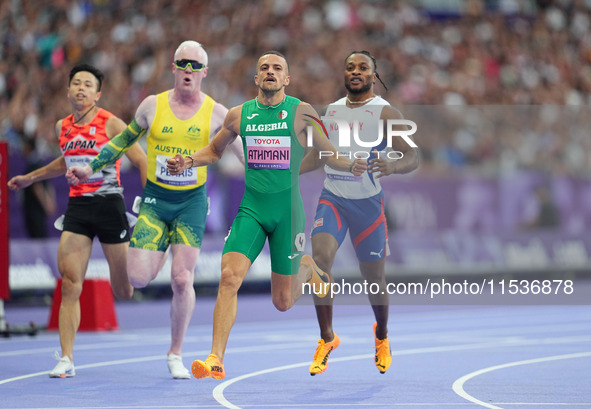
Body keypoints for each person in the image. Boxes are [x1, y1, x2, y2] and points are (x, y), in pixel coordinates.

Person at [165, 51, 367, 380]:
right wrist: (189, 160)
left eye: (277, 68)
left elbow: (328, 151)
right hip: (252, 209)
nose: (270, 72)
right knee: (229, 277)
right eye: (264, 68)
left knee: (283, 302)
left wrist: (352, 164)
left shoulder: (301, 112)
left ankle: (310, 272)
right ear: (256, 79)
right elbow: (215, 151)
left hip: (287, 213)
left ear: (286, 79)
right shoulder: (238, 115)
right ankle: (216, 358)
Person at [66, 41, 243, 379]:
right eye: (183, 63)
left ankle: (175, 352)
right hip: (155, 202)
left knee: (181, 278)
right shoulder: (152, 105)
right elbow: (123, 141)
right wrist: (91, 168)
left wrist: (268, 185)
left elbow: (243, 156)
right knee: (139, 278)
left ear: (205, 72)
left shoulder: (217, 113)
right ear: (173, 68)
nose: (188, 70)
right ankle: (161, 245)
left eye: (195, 65)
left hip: (191, 203)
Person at [7, 64, 147, 377]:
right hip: (78, 209)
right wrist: (31, 178)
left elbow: (140, 158)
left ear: (98, 93)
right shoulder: (62, 127)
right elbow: (65, 161)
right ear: (69, 90)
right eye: (76, 84)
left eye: (88, 85)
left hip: (110, 205)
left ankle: (147, 258)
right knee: (70, 283)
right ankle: (67, 358)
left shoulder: (111, 123)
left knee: (124, 290)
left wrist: (149, 202)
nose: (81, 89)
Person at [300, 51, 420, 375]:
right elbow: (318, 156)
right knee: (319, 262)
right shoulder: (332, 111)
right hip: (333, 199)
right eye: (350, 67)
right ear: (344, 74)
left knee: (374, 280)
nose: (355, 72)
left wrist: (393, 166)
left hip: (368, 205)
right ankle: (327, 338)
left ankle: (381, 335)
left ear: (373, 75)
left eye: (362, 68)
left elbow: (414, 155)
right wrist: (286, 173)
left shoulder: (385, 112)